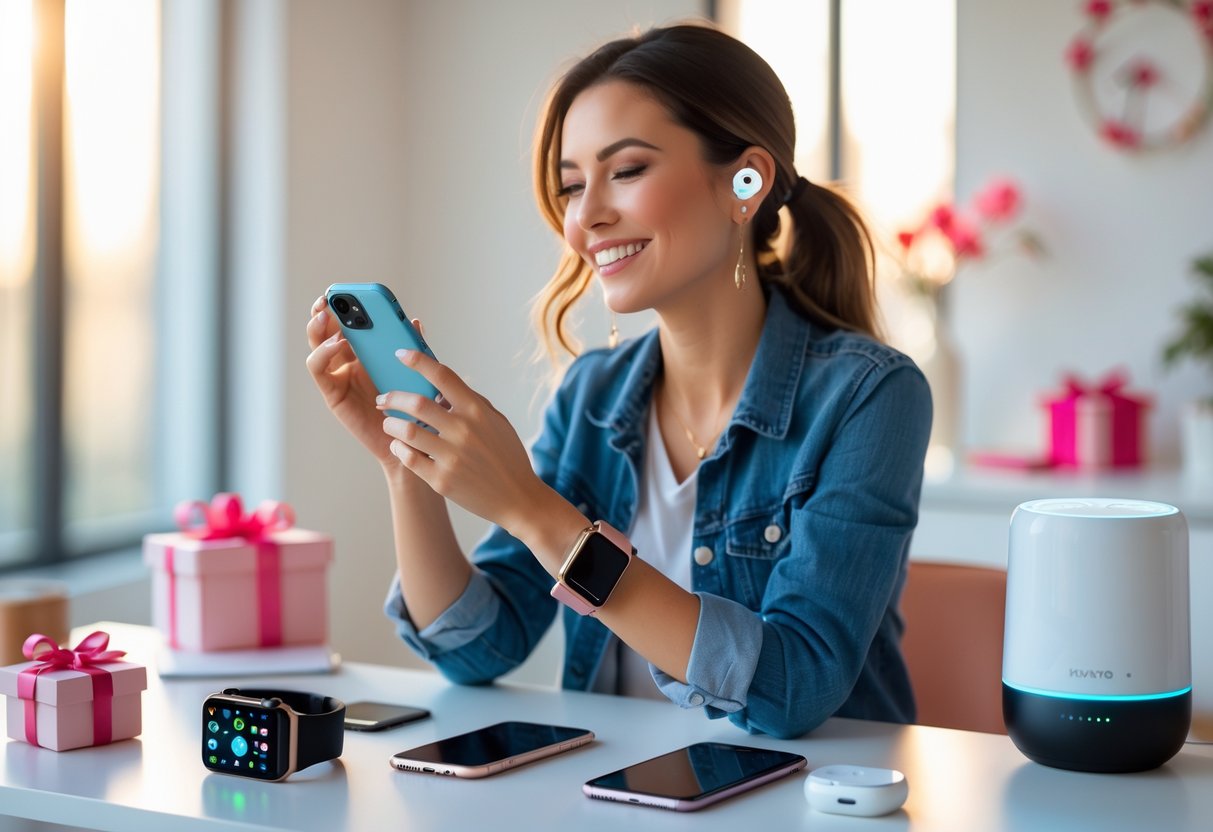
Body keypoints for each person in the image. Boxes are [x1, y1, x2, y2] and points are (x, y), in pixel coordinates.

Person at [305, 23, 931, 739]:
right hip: (615, 796)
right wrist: (405, 466)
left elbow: (793, 683)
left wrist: (530, 507)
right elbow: (479, 647)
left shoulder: (868, 397)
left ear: (745, 180)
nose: (584, 217)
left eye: (626, 170)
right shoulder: (594, 395)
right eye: (572, 185)